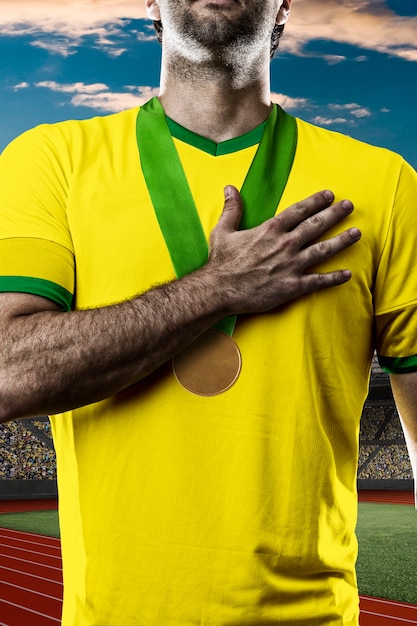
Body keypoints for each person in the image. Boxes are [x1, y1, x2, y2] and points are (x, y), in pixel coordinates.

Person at [0, 0, 416, 623]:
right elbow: (7, 374)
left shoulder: (386, 183)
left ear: (283, 9)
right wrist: (216, 288)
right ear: (151, 7)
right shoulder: (50, 161)